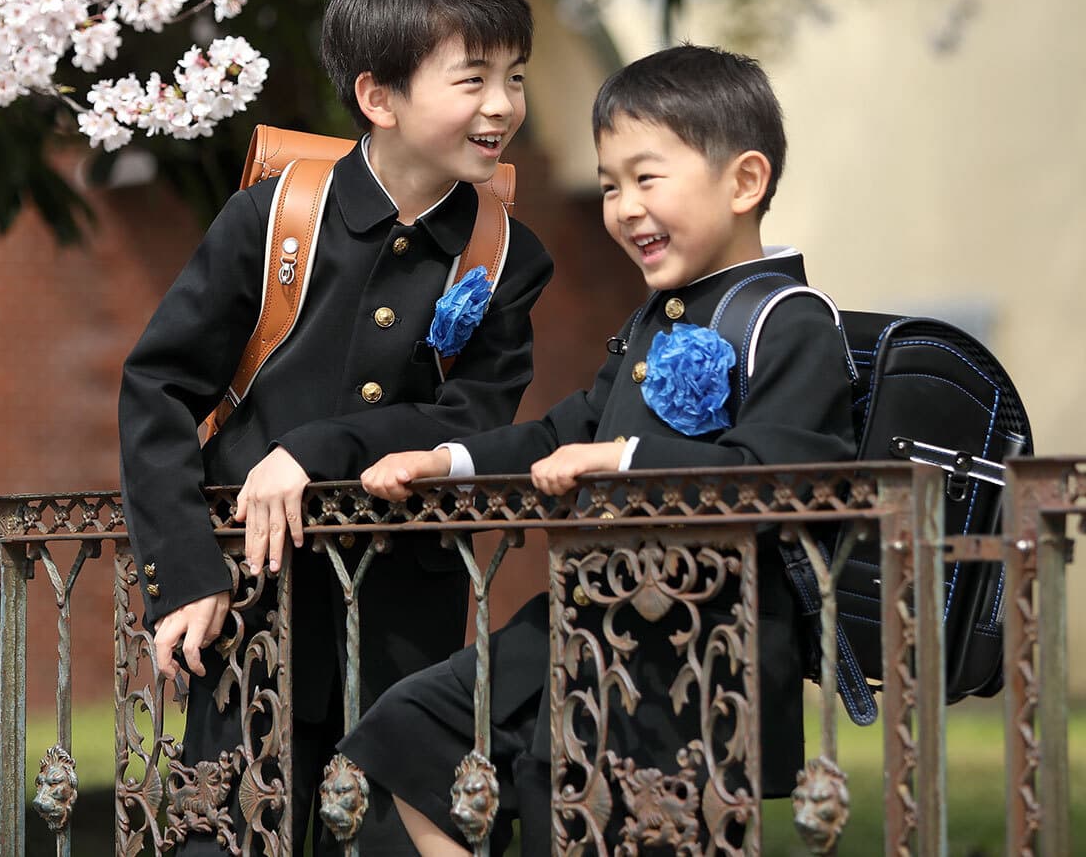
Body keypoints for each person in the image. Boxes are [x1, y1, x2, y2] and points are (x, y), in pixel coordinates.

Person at [346, 44, 858, 857]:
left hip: (693, 657)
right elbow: (564, 433)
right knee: (411, 733)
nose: (623, 207)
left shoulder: (791, 322)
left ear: (744, 182)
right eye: (612, 184)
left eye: (647, 178)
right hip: (585, 624)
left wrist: (620, 463)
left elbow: (780, 481)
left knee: (592, 819)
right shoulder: (655, 320)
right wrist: (450, 460)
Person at [118, 0, 557, 855]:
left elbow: (471, 419)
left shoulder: (510, 255)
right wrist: (185, 575)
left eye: (514, 77)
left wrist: (318, 448)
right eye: (472, 78)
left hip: (407, 629)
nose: (503, 105)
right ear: (379, 96)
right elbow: (158, 386)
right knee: (231, 834)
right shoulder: (273, 217)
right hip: (250, 618)